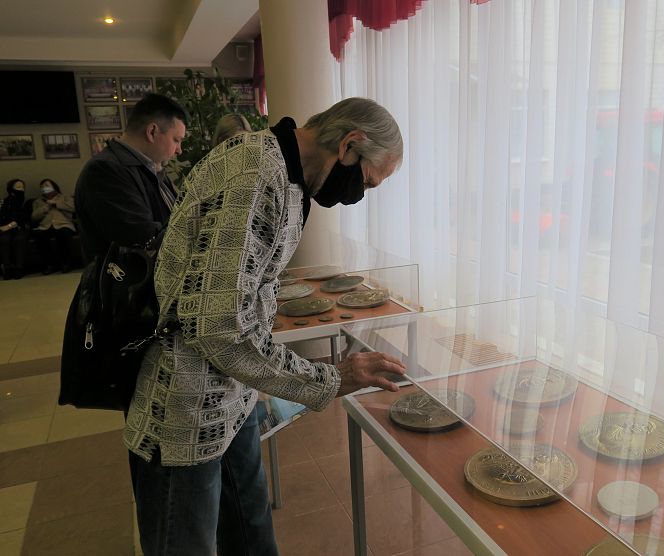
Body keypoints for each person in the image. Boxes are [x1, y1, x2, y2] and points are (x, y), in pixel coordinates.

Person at [124, 97, 405, 555]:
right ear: (350, 145)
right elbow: (220, 328)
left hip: (231, 399)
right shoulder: (255, 173)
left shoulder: (284, 174)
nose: (360, 192)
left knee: (251, 535)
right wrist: (329, 377)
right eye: (368, 181)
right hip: (186, 412)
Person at [75, 93, 186, 263]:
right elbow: (142, 237)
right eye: (176, 140)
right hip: (132, 276)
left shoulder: (151, 168)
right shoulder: (104, 171)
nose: (179, 150)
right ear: (152, 132)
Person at [30, 179, 75, 274]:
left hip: (63, 224)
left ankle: (66, 264)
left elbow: (74, 208)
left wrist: (56, 204)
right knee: (40, 236)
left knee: (64, 233)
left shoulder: (65, 197)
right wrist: (45, 208)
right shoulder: (38, 202)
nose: (44, 188)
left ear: (54, 186)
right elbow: (34, 218)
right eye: (42, 187)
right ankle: (50, 265)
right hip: (45, 226)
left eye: (46, 185)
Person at [0, 178, 28, 279]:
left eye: (22, 187)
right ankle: (7, 268)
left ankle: (19, 268)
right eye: (18, 187)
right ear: (11, 189)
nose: (21, 189)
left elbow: (22, 218)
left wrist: (11, 225)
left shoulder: (24, 203)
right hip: (4, 229)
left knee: (19, 239)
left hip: (19, 228)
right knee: (4, 240)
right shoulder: (3, 202)